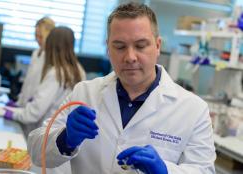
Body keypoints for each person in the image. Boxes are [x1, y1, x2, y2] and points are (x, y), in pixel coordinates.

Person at [28, 2, 216, 174]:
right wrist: (65, 139)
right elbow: (36, 151)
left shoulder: (193, 109)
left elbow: (204, 170)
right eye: (119, 46)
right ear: (108, 48)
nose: (130, 57)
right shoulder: (84, 93)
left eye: (141, 45)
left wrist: (165, 170)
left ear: (157, 46)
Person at [3, 26, 86, 137]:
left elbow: (34, 113)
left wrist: (12, 113)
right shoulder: (79, 71)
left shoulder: (56, 73)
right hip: (63, 134)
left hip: (45, 134)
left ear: (52, 46)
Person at [6, 17, 55, 107]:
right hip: (24, 106)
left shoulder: (52, 59)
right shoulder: (36, 53)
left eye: (41, 36)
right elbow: (27, 82)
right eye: (36, 35)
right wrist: (18, 102)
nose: (38, 39)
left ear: (51, 36)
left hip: (36, 107)